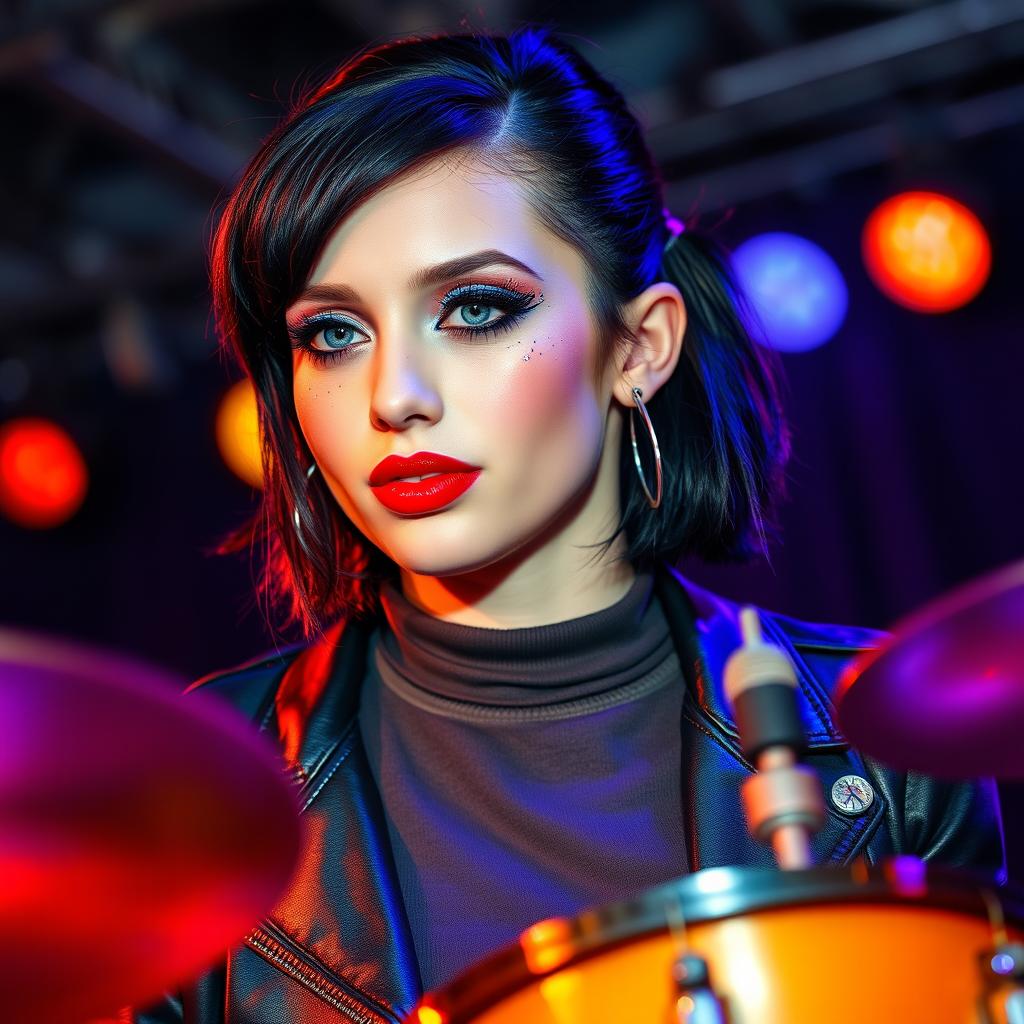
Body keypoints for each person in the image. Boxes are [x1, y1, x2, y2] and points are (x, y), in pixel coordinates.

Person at [126, 25, 1005, 1024]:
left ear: (638, 347)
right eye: (333, 334)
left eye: (474, 307)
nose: (394, 395)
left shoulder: (882, 750)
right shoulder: (196, 797)